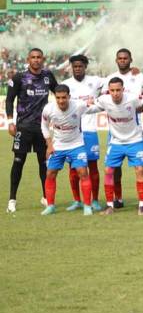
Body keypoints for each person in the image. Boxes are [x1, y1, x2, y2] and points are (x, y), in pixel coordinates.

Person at [6, 48, 58, 213]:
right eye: (33, 57)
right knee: (18, 162)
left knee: (43, 163)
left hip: (42, 128)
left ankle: (45, 197)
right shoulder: (20, 77)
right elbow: (9, 100)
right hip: (23, 127)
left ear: (43, 59)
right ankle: (12, 199)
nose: (36, 60)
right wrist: (10, 121)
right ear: (28, 59)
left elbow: (59, 93)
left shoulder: (48, 76)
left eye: (39, 57)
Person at [87, 77, 143, 215]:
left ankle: (142, 205)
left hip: (135, 140)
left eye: (118, 90)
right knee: (108, 171)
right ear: (108, 91)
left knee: (139, 170)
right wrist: (86, 104)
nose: (115, 93)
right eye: (112, 90)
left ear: (123, 89)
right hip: (116, 142)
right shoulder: (104, 100)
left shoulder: (132, 98)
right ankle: (109, 206)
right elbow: (93, 105)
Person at [103, 48, 143, 208]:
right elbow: (103, 99)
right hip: (115, 133)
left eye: (125, 58)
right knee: (113, 169)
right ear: (116, 60)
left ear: (131, 59)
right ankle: (117, 199)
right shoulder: (109, 78)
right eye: (120, 58)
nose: (122, 60)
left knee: (140, 167)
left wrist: (141, 104)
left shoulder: (140, 76)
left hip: (133, 129)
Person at [40, 85, 93, 216]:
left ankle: (87, 206)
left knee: (83, 172)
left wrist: (94, 103)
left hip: (76, 145)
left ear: (69, 96)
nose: (61, 101)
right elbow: (44, 126)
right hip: (58, 146)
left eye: (64, 97)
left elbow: (95, 107)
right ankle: (51, 206)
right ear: (54, 97)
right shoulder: (48, 109)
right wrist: (49, 145)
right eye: (58, 98)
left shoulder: (79, 105)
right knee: (50, 173)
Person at [62, 54, 104, 212]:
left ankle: (95, 200)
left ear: (85, 67)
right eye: (75, 66)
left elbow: (114, 84)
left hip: (90, 130)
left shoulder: (95, 81)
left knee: (92, 166)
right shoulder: (65, 84)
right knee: (73, 168)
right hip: (72, 132)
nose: (77, 69)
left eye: (80, 66)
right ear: (71, 67)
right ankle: (77, 200)